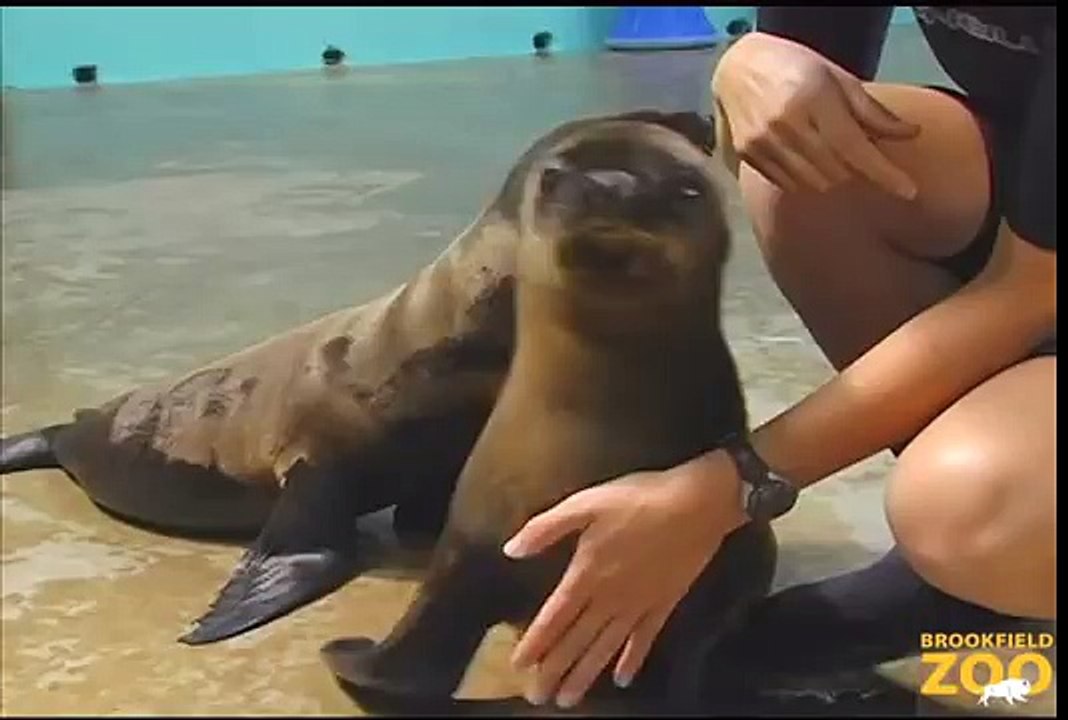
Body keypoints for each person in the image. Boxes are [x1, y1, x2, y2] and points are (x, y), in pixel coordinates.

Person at [500, 6, 1056, 710]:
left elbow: (1030, 291)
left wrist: (726, 487)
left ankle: (1004, 532)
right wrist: (743, 65)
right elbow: (788, 111)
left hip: (1041, 274)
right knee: (805, 149)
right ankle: (994, 561)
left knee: (962, 505)